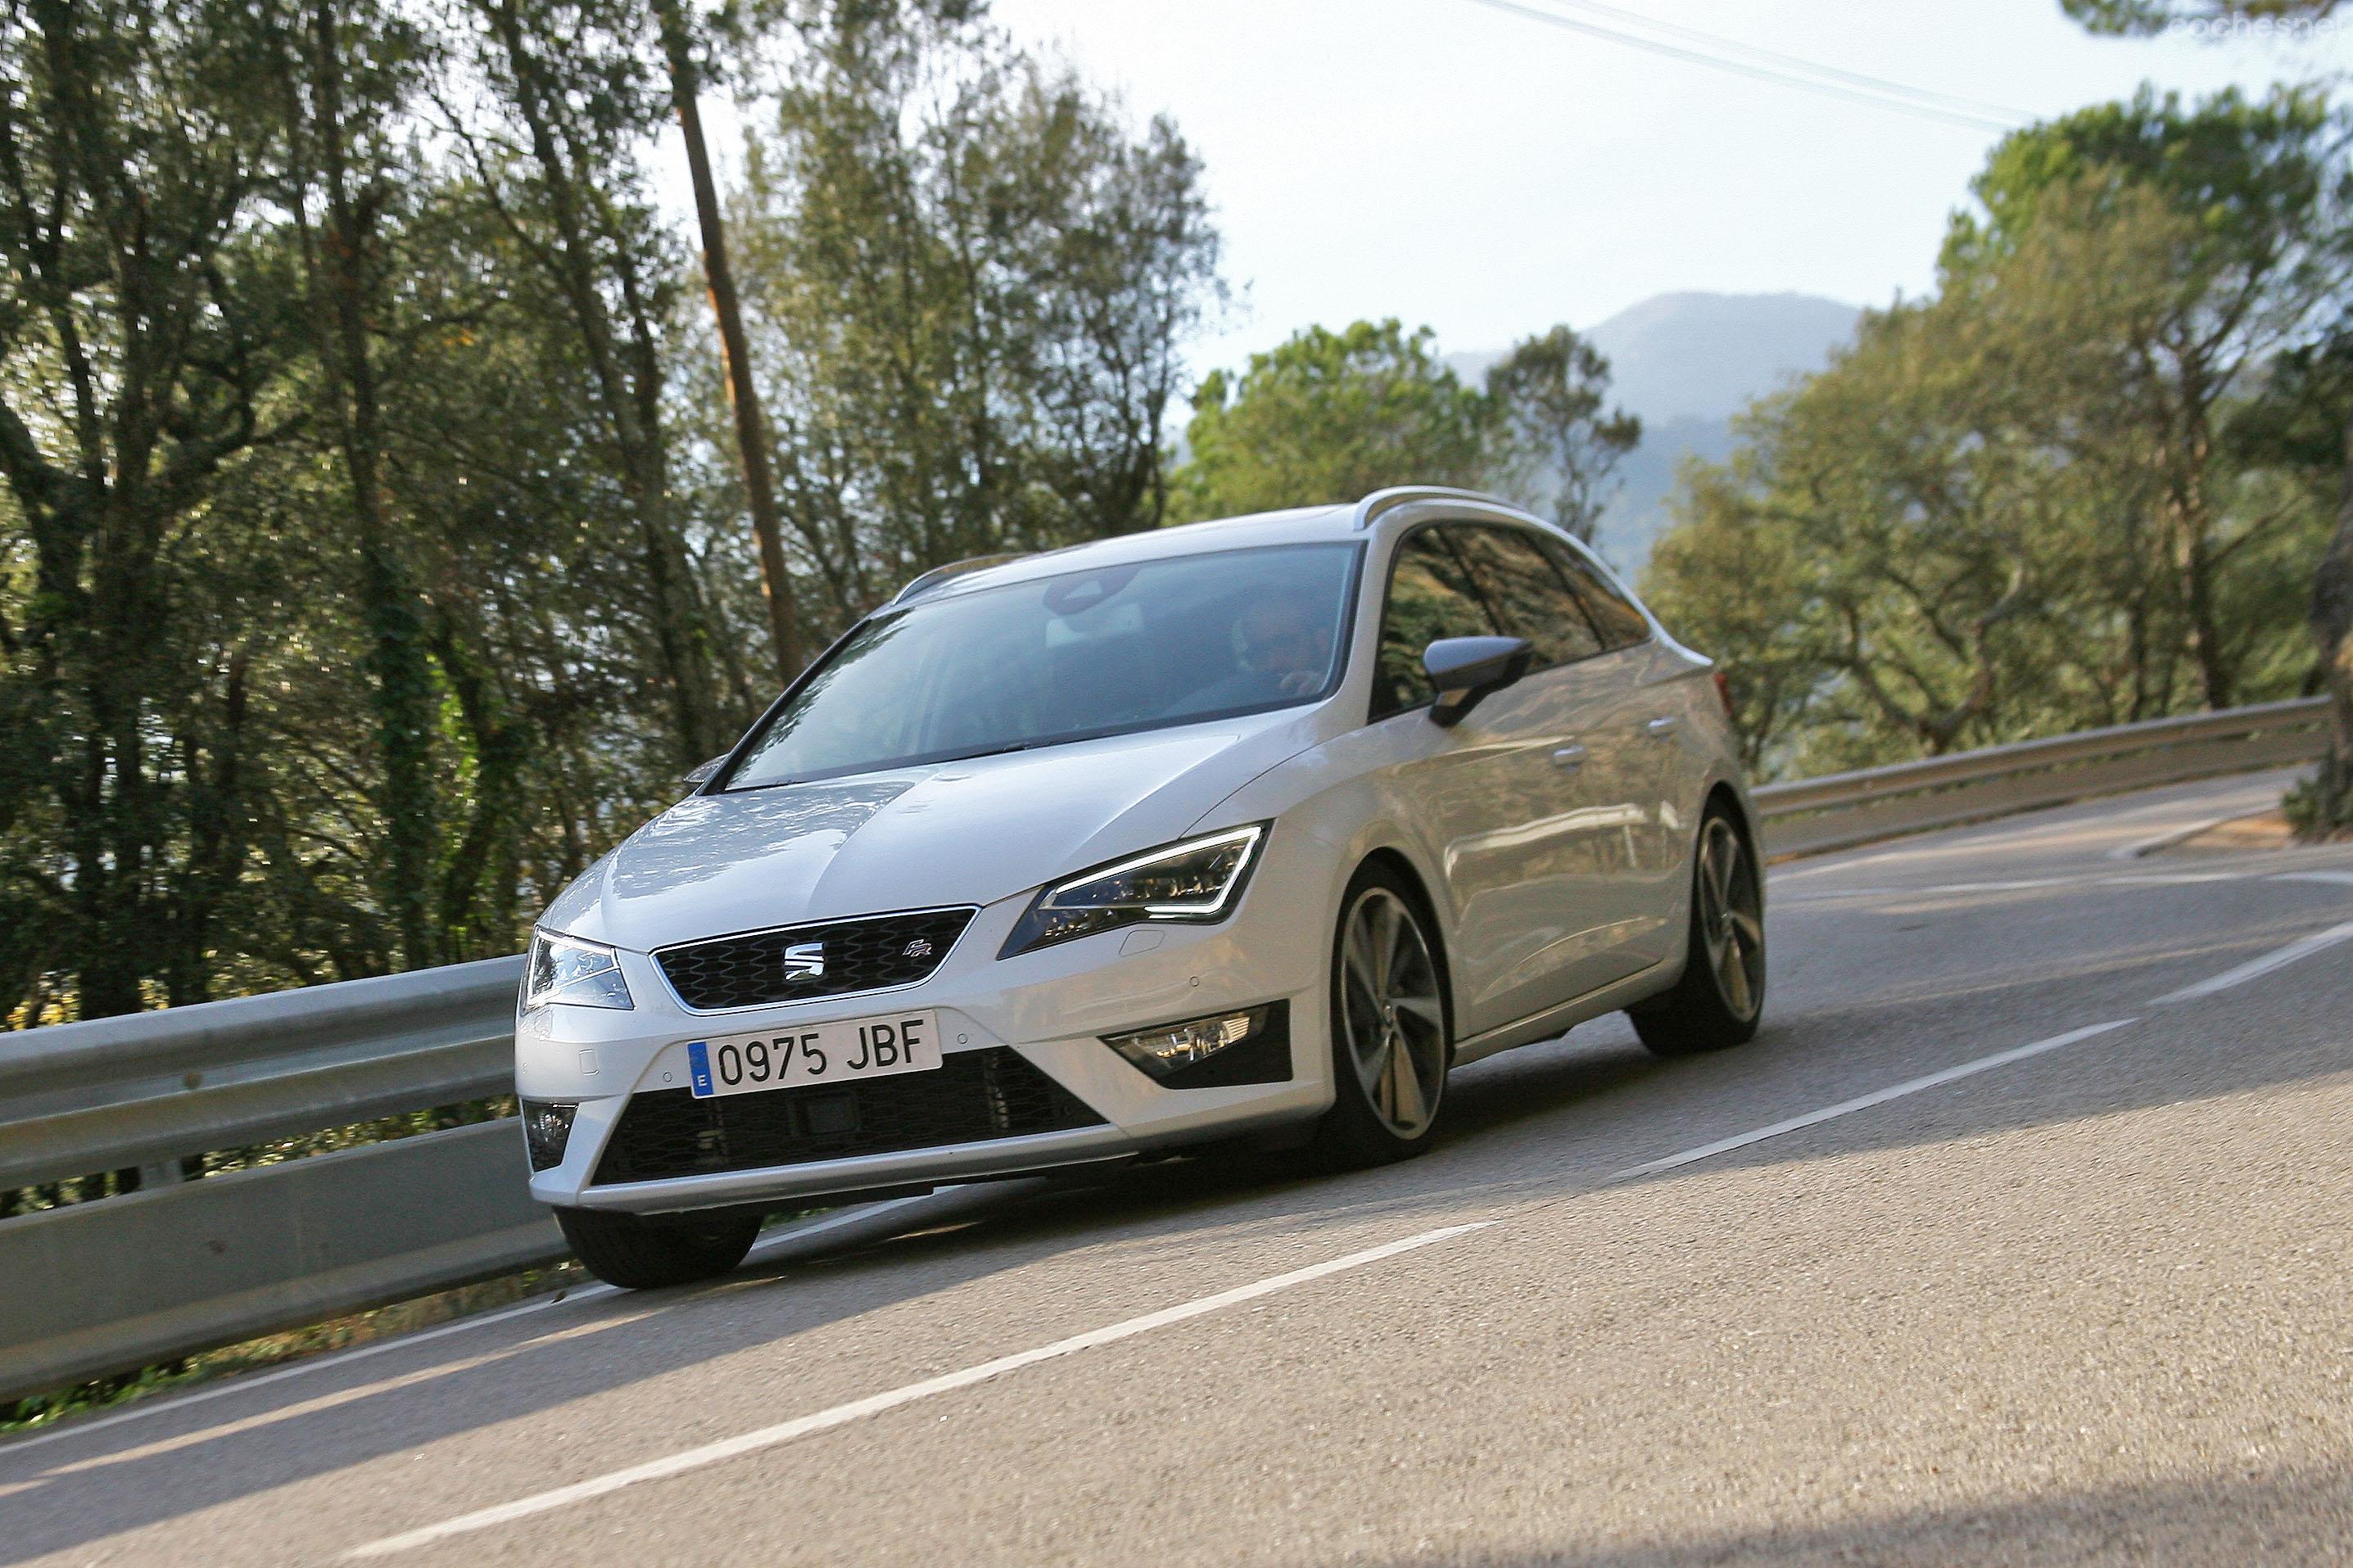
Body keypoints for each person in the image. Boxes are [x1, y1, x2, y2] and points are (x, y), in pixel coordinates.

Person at [1189, 586, 1336, 711]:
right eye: (1259, 653)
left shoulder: (1349, 697)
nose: (1273, 664)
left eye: (1284, 644)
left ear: (1321, 641)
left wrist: (1324, 689)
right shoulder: (1228, 705)